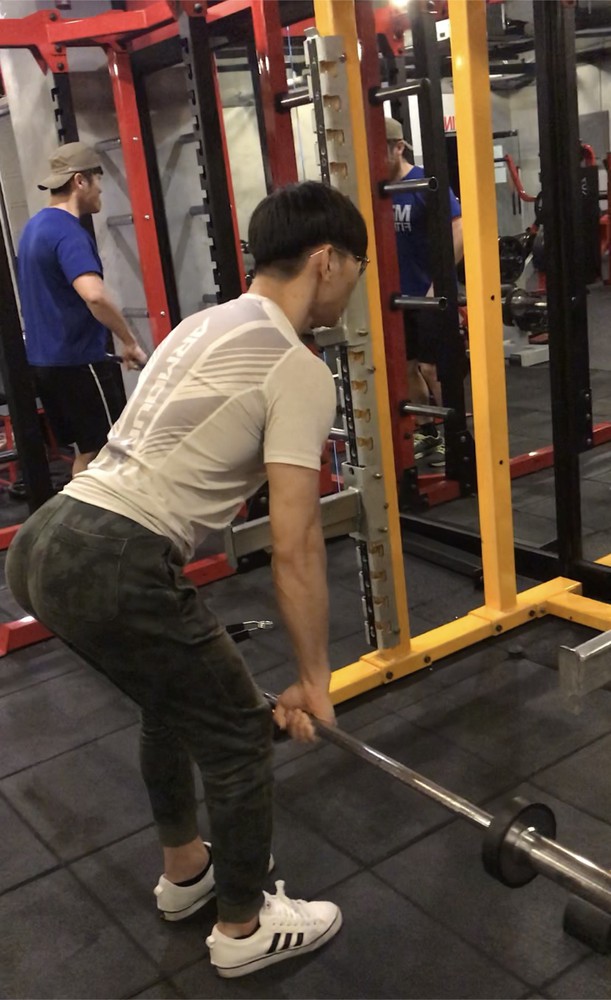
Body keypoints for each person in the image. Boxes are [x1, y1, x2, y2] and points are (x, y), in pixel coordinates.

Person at [6, 180, 369, 979]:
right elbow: (296, 543)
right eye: (357, 268)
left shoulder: (202, 324)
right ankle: (243, 926)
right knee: (237, 732)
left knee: (167, 705)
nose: (355, 285)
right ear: (326, 261)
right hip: (114, 554)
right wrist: (314, 678)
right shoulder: (297, 368)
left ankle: (185, 874)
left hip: (46, 538)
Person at [17, 141, 147, 476]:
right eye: (97, 177)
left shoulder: (33, 229)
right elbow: (94, 296)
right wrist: (129, 341)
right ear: (80, 181)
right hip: (78, 364)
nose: (101, 187)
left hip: (45, 365)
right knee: (107, 454)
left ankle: (76, 510)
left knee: (88, 455)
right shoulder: (67, 232)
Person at [386, 117, 464, 463]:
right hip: (396, 297)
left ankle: (457, 436)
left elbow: (459, 228)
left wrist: (439, 282)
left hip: (429, 296)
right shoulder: (379, 189)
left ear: (398, 147)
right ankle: (427, 431)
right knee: (406, 368)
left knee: (434, 370)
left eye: (380, 151)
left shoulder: (424, 182)